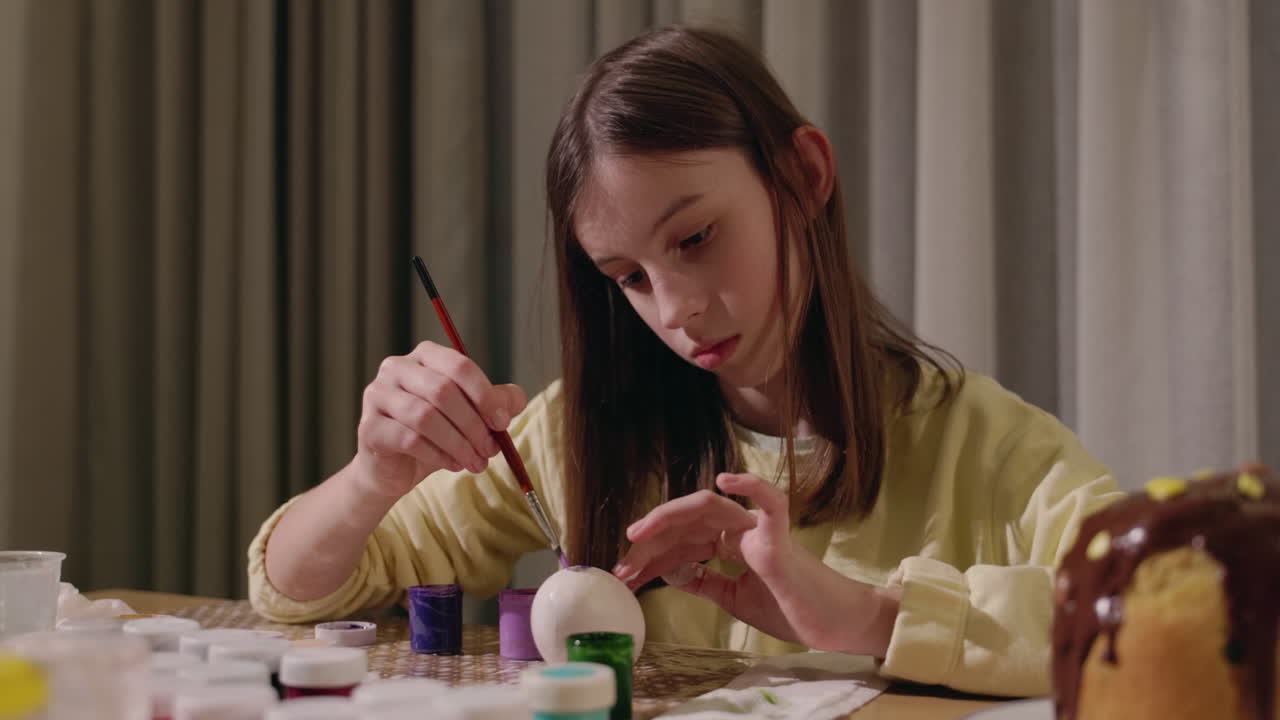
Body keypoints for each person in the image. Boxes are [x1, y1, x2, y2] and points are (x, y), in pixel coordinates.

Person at [249, 25, 1121, 697]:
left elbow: (1154, 620)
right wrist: (372, 478)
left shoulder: (985, 447)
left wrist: (868, 616)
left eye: (696, 238)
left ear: (804, 176)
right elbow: (296, 593)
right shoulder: (578, 436)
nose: (674, 310)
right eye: (629, 278)